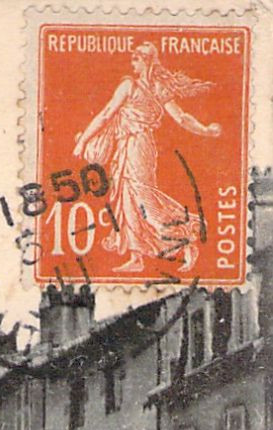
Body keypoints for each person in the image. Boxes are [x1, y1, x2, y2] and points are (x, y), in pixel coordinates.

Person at [71, 41, 221, 274]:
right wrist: (206, 130)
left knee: (141, 198)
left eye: (136, 58)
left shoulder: (129, 86)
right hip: (133, 146)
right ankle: (137, 256)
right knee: (127, 198)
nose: (133, 62)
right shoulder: (157, 87)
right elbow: (181, 118)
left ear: (146, 61)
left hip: (135, 146)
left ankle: (184, 240)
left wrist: (82, 141)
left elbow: (106, 114)